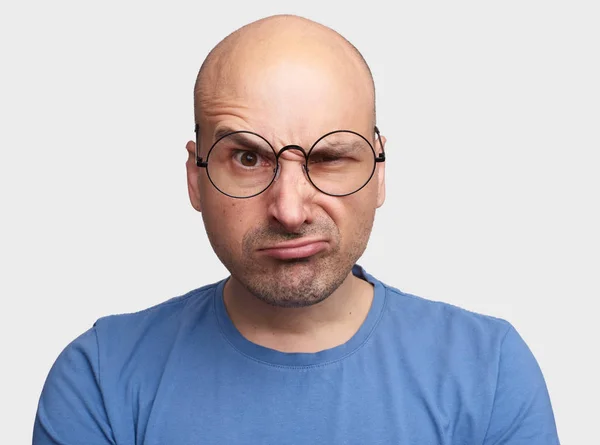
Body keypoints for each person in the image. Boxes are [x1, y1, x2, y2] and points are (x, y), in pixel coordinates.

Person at [33, 14, 559, 444]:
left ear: (379, 173)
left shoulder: (490, 372)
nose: (289, 209)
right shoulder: (100, 378)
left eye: (329, 157)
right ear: (195, 179)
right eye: (246, 157)